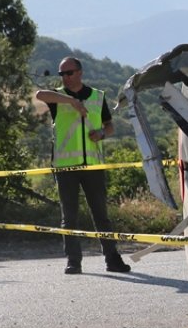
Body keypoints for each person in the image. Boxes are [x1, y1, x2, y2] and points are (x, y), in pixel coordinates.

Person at [34, 56, 131, 274]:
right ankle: (73, 261)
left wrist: (102, 134)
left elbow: (110, 126)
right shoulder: (57, 97)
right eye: (62, 74)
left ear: (80, 72)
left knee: (101, 215)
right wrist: (70, 101)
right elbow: (39, 94)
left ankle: (112, 259)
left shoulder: (97, 96)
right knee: (69, 217)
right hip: (66, 167)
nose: (65, 77)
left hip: (93, 166)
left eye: (69, 73)